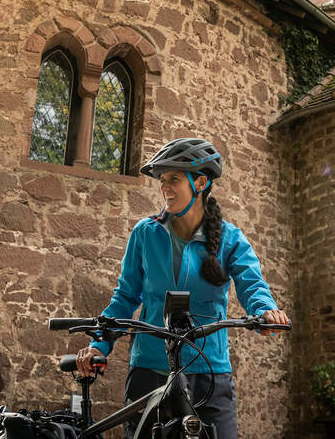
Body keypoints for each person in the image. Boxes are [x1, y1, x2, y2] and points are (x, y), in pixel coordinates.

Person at [73, 138, 291, 439]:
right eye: (163, 180)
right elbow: (125, 297)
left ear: (200, 182)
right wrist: (99, 344)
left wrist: (265, 311)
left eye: (173, 179)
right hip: (149, 371)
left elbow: (252, 283)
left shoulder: (231, 239)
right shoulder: (146, 234)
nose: (165, 188)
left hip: (208, 372)